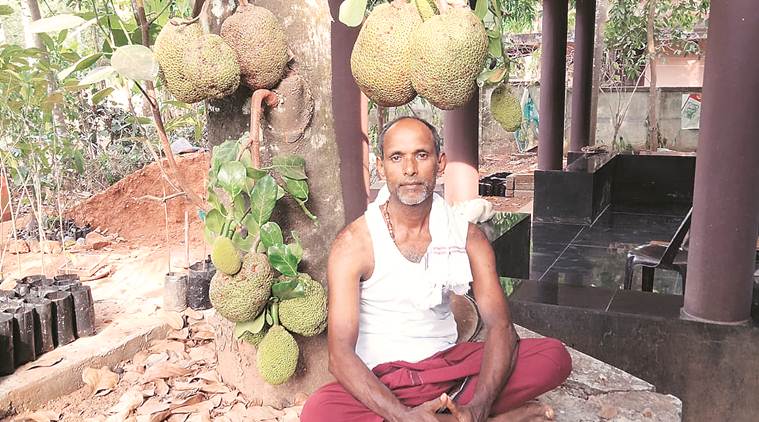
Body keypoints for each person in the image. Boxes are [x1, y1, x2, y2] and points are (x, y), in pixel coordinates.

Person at [301, 117, 572, 422]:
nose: (410, 169)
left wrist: (479, 406)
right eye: (396, 157)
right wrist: (402, 415)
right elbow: (339, 356)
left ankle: (462, 415)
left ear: (440, 163)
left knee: (553, 357)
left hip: (447, 368)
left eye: (421, 155)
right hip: (384, 378)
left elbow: (501, 327)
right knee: (318, 411)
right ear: (381, 167)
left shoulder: (469, 238)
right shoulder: (353, 244)